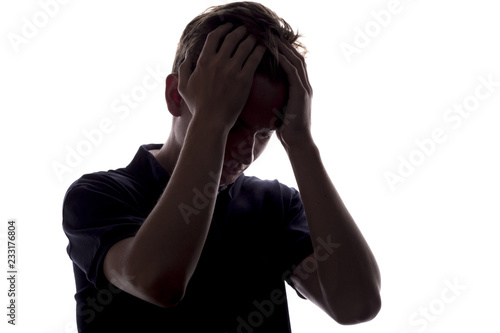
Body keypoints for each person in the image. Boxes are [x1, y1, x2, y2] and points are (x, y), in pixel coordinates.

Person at [62, 2, 381, 332]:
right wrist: (211, 121)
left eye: (265, 133)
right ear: (176, 95)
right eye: (234, 122)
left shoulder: (276, 206)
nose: (247, 155)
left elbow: (356, 305)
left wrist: (300, 143)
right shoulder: (98, 196)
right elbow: (160, 283)